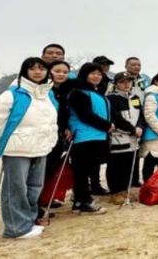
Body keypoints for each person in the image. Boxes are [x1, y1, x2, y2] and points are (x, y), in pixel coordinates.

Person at [0, 57, 58, 239]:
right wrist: (2, 144)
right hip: (17, 149)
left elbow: (51, 123)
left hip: (41, 148)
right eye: (32, 69)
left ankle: (28, 222)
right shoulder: (12, 94)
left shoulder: (47, 95)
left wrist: (50, 141)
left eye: (41, 68)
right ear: (25, 72)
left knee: (34, 187)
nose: (37, 72)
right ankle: (16, 228)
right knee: (16, 189)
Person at [67, 62, 111, 214]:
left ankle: (80, 201)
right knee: (82, 171)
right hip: (84, 136)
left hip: (96, 136)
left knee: (88, 169)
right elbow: (85, 115)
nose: (96, 76)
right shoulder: (78, 92)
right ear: (84, 74)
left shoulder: (94, 91)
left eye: (99, 74)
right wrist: (107, 125)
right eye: (92, 73)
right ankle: (84, 201)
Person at [39, 60, 72, 216]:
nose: (61, 74)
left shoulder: (64, 91)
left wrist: (65, 127)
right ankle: (36, 205)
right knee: (41, 171)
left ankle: (44, 200)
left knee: (51, 170)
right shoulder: (44, 90)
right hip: (44, 136)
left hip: (59, 137)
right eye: (57, 71)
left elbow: (63, 114)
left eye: (65, 72)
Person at [105, 72, 144, 204]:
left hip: (134, 137)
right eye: (122, 82)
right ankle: (115, 192)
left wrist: (139, 126)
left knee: (129, 165)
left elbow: (140, 115)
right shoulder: (111, 98)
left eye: (129, 81)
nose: (127, 84)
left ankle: (124, 191)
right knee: (116, 165)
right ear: (116, 84)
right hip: (118, 136)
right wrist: (132, 129)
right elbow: (116, 118)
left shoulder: (135, 97)